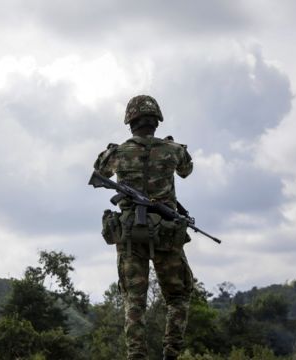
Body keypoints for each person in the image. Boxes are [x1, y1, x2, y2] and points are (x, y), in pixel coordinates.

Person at [94, 95, 194, 360]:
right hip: (167, 234)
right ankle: (171, 354)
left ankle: (136, 356)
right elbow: (186, 170)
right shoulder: (174, 151)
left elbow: (99, 169)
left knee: (134, 302)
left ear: (130, 122)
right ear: (157, 122)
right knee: (178, 297)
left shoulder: (117, 153)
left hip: (131, 236)